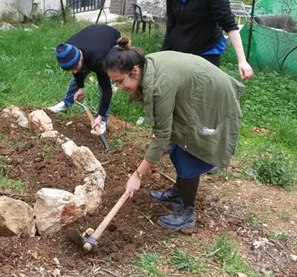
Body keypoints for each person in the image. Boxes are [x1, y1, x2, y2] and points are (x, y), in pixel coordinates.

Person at [103, 38, 244, 230]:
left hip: (212, 98)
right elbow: (165, 128)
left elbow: (162, 134)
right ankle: (179, 192)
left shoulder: (160, 84)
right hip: (196, 91)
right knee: (178, 141)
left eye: (120, 82)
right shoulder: (146, 68)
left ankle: (187, 212)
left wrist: (138, 175)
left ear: (134, 71)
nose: (120, 88)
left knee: (188, 151)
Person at [48, 24, 121, 134]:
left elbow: (107, 90)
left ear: (80, 57)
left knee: (103, 85)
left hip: (113, 40)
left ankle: (102, 120)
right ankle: (66, 103)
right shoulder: (68, 49)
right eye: (70, 69)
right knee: (78, 73)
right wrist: (80, 88)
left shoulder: (100, 60)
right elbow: (76, 70)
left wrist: (100, 116)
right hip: (92, 39)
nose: (74, 72)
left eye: (75, 67)